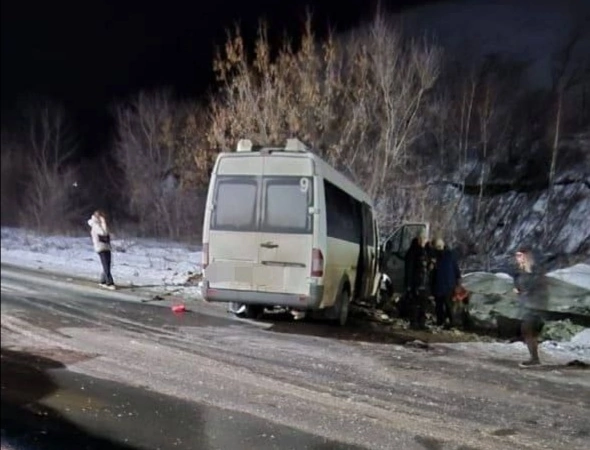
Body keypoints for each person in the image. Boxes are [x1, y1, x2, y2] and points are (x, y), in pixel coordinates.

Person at [513, 248, 548, 367]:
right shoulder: (520, 271)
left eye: (520, 256)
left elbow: (538, 286)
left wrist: (525, 291)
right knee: (528, 332)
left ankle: (535, 358)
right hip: (527, 305)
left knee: (528, 331)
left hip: (536, 306)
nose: (517, 258)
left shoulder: (534, 271)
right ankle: (534, 357)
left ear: (526, 256)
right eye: (517, 256)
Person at [432, 238, 461, 328]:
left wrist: (458, 281)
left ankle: (448, 322)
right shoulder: (446, 255)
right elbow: (456, 269)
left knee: (445, 305)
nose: (439, 248)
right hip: (444, 283)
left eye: (439, 246)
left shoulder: (445, 256)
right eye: (437, 246)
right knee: (441, 305)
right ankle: (444, 322)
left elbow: (456, 269)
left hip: (446, 284)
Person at [405, 232, 430, 329]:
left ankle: (421, 322)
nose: (425, 240)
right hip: (416, 282)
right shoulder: (414, 252)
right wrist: (409, 284)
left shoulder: (425, 251)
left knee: (423, 304)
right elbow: (410, 269)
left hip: (423, 282)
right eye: (423, 238)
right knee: (415, 303)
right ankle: (414, 322)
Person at [87, 210, 115, 289]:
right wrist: (103, 222)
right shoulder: (95, 224)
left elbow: (107, 232)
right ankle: (110, 283)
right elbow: (104, 233)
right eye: (99, 216)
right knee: (106, 264)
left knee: (108, 264)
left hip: (106, 246)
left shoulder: (101, 224)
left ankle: (103, 280)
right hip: (100, 247)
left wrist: (103, 223)